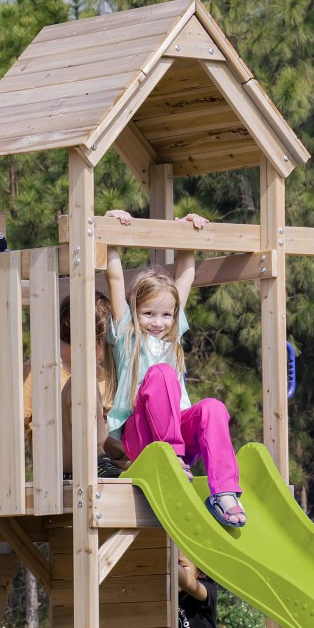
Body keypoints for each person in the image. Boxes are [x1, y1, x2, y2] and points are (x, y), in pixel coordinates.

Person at [103, 210, 246, 528]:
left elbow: (186, 276)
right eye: (148, 313)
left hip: (178, 433)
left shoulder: (172, 336)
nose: (157, 322)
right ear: (134, 312)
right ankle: (173, 459)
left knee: (212, 407)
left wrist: (186, 236)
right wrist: (109, 231)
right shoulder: (128, 333)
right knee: (162, 375)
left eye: (166, 315)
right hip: (142, 437)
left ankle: (223, 492)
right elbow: (114, 276)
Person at [22, 291, 125, 478]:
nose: (108, 352)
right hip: (59, 458)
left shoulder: (101, 375)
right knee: (82, 379)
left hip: (103, 460)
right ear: (94, 339)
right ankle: (98, 460)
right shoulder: (38, 370)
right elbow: (14, 425)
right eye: (107, 343)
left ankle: (135, 463)